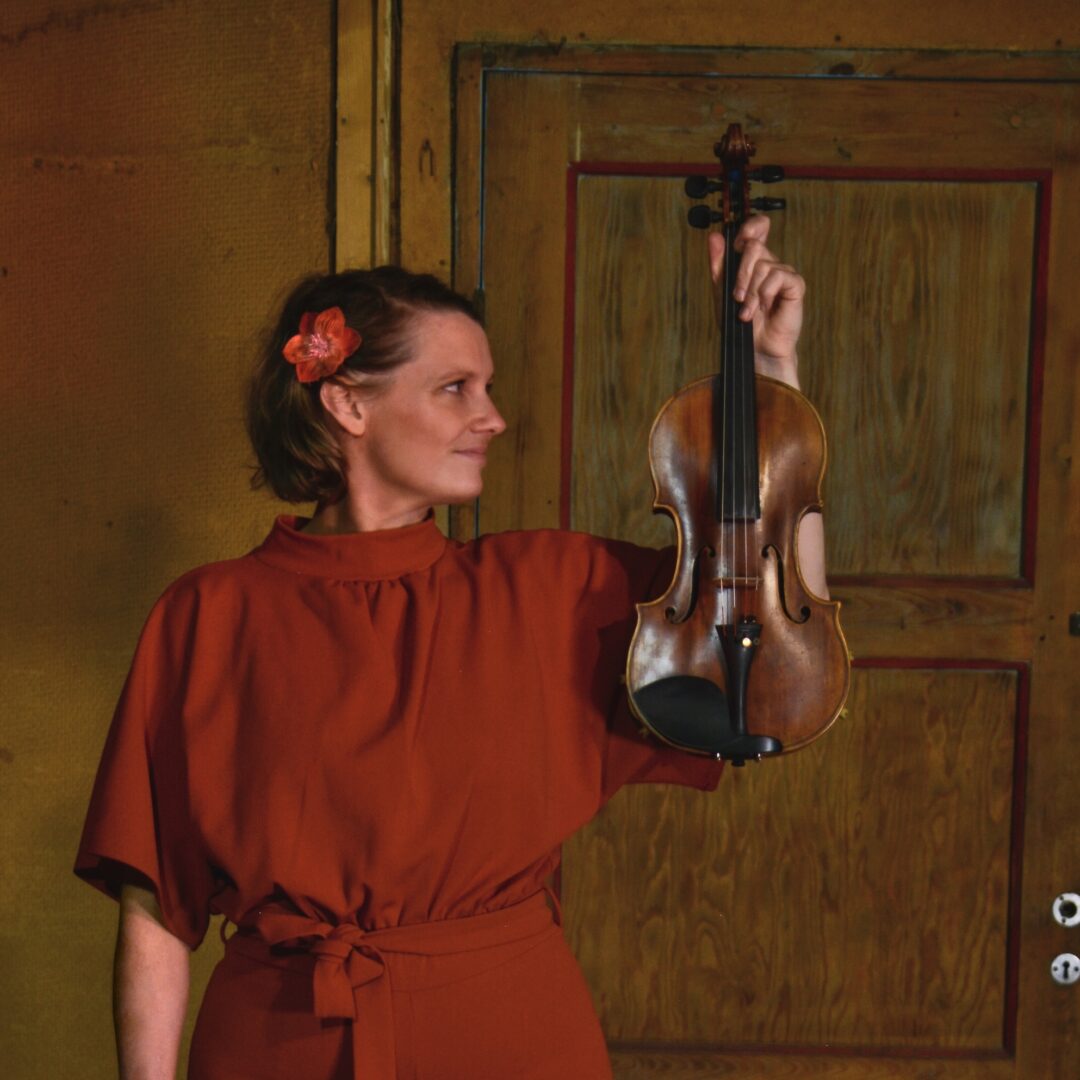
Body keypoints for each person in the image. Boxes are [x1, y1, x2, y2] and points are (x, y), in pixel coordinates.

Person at [75, 217, 825, 1079]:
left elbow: (776, 648)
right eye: (455, 388)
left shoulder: (556, 588)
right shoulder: (207, 616)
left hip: (511, 1038)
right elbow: (154, 908)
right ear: (348, 403)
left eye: (487, 387)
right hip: (273, 1045)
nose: (492, 418)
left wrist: (771, 377)